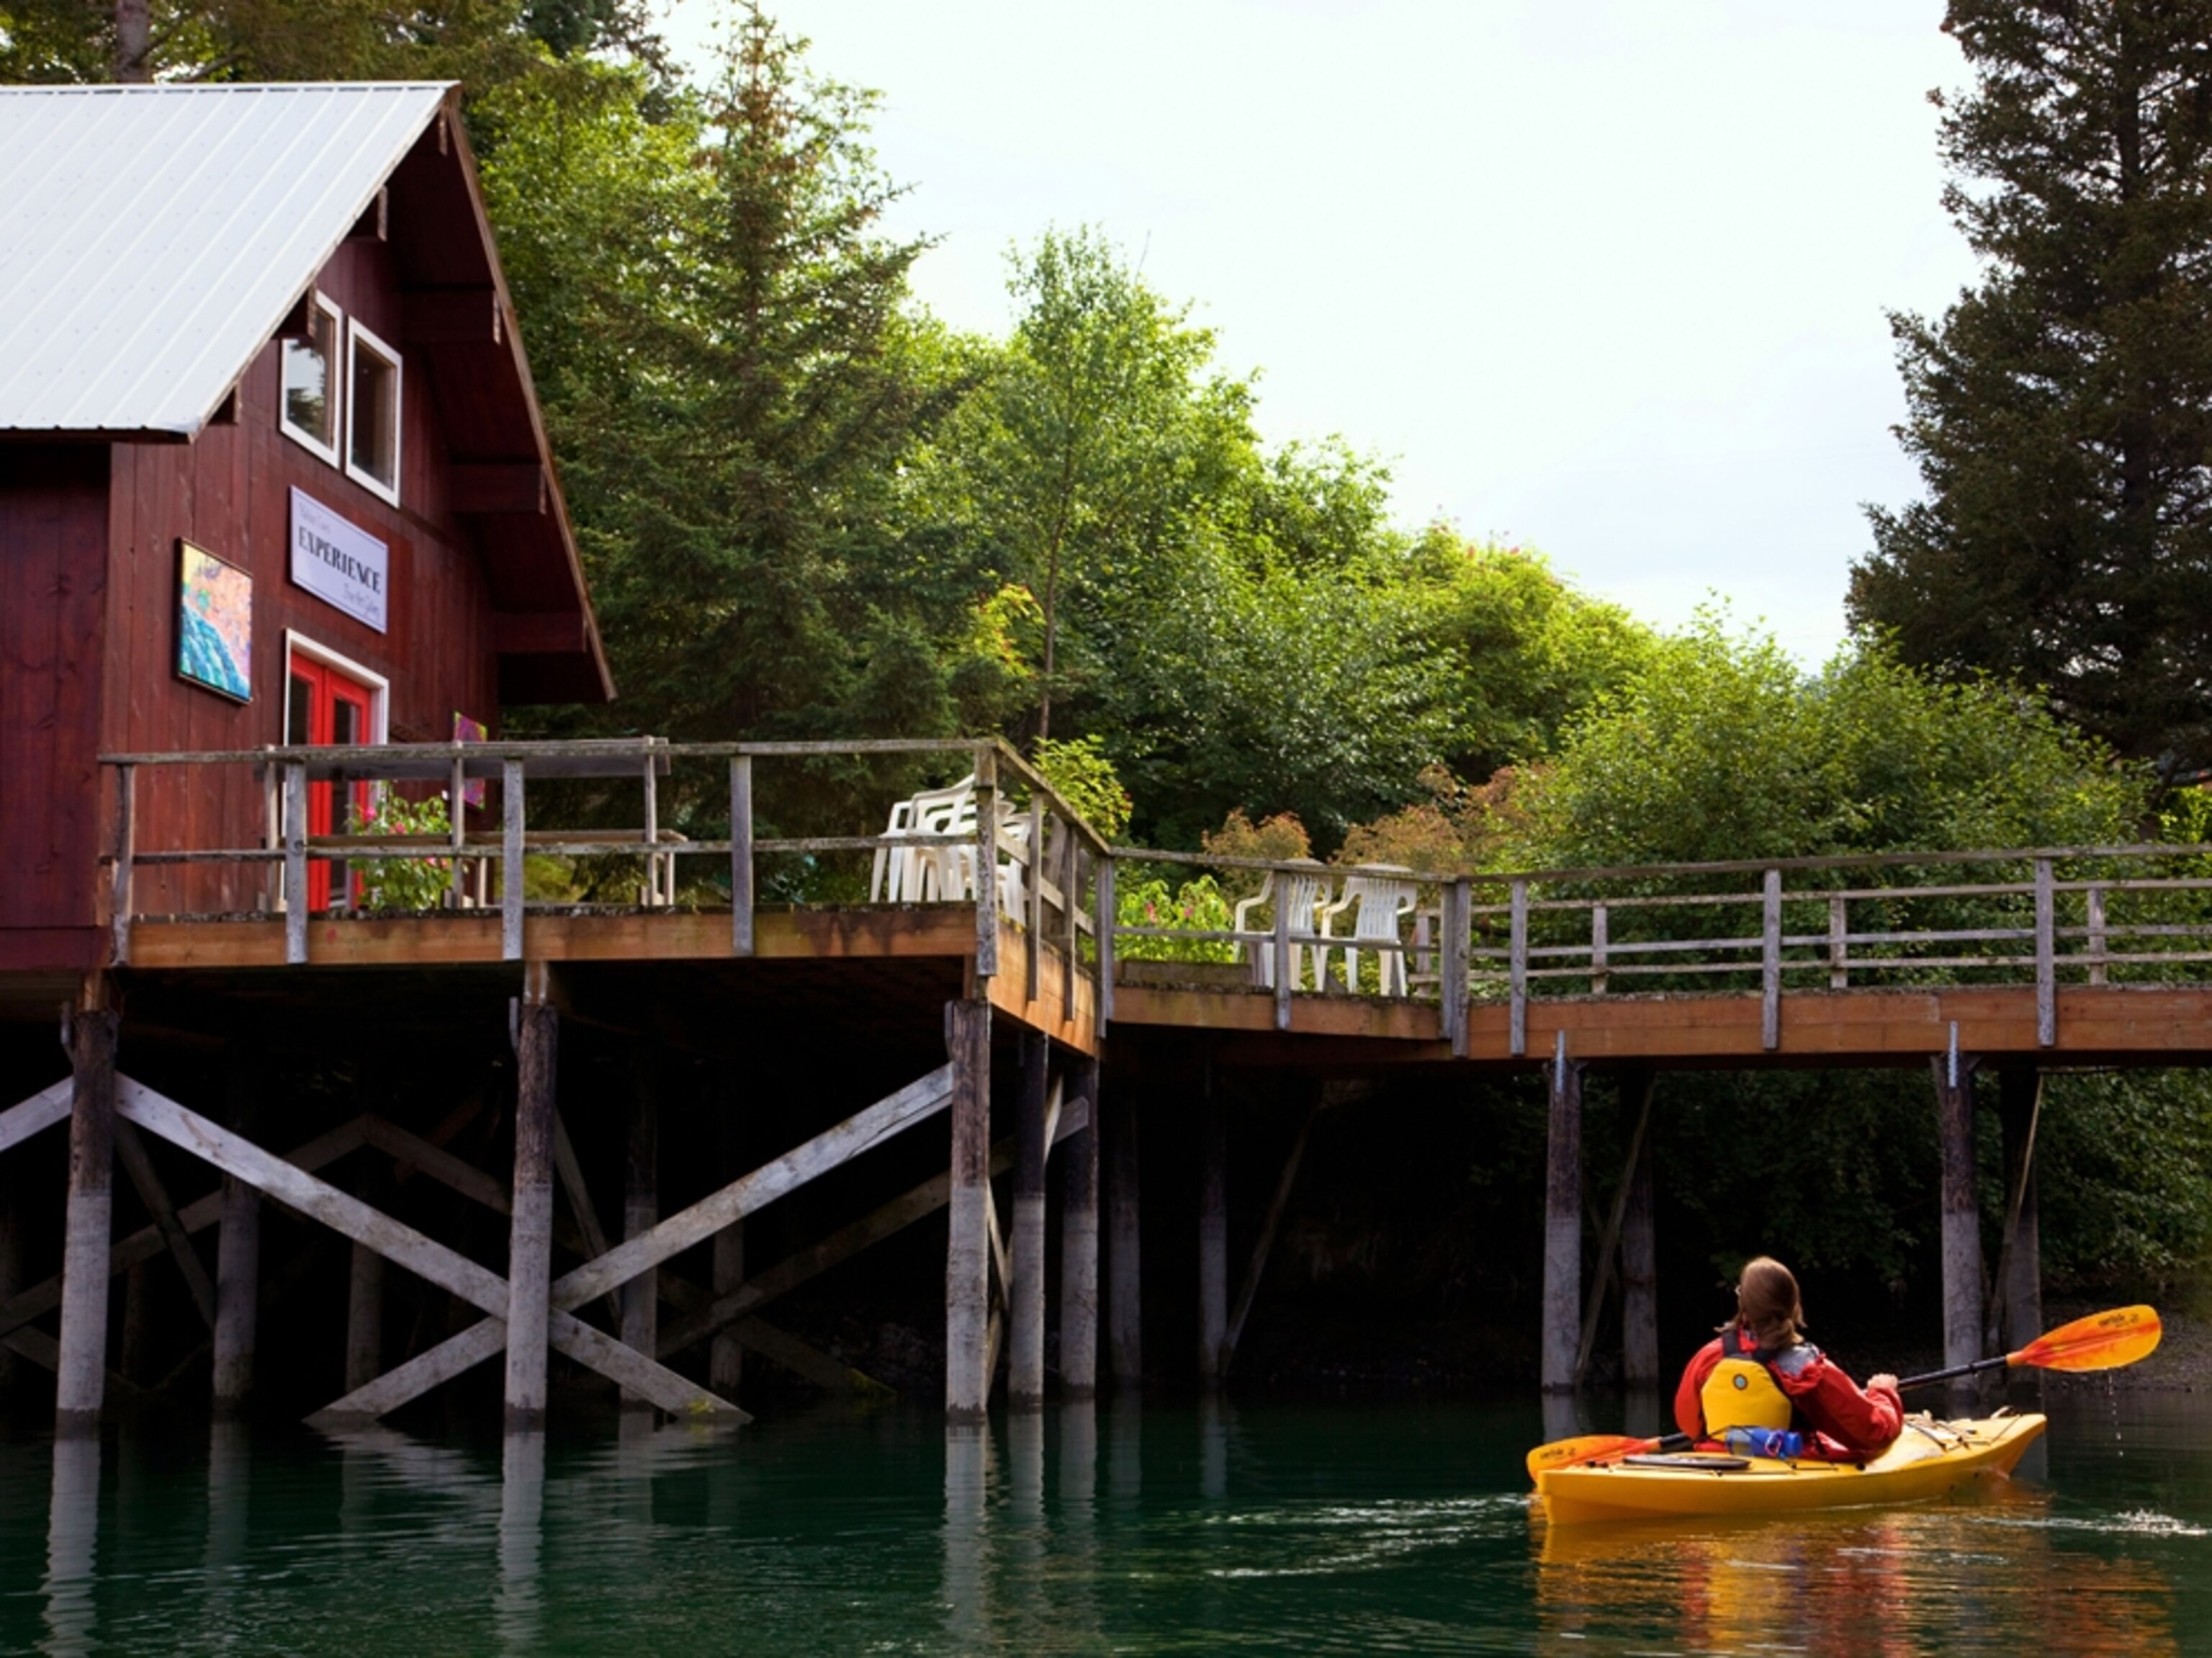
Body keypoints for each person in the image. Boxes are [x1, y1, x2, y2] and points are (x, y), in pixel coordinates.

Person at [1673, 1255, 1905, 1461]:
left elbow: (1689, 1424)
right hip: (1790, 1460)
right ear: (1793, 1305)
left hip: (1718, 1455)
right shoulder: (1805, 1365)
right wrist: (1883, 1392)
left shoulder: (1709, 1356)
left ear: (1743, 1303)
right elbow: (1876, 1433)